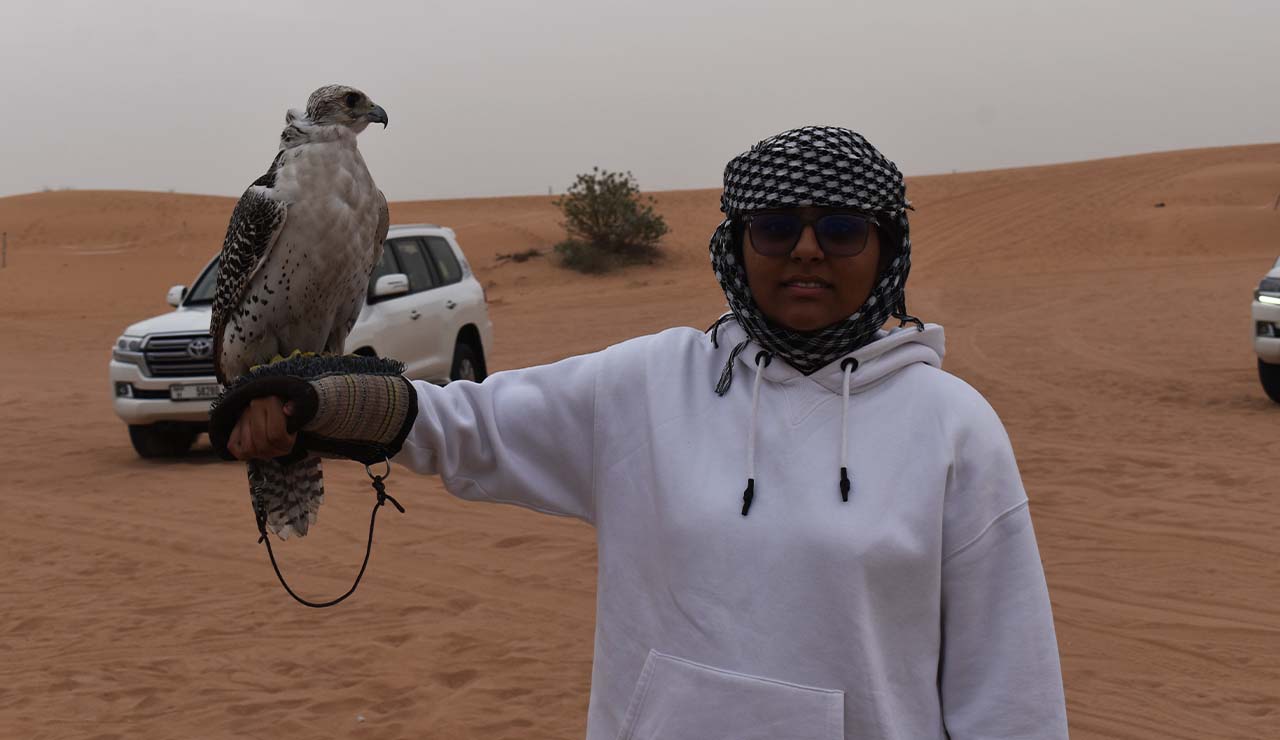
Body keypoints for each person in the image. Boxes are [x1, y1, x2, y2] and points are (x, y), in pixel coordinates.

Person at [217, 126, 1069, 739]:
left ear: (887, 250)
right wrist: (313, 403)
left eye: (841, 230)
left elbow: (1011, 691)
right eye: (776, 227)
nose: (807, 250)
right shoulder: (651, 384)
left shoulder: (953, 427)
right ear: (738, 245)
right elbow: (467, 423)